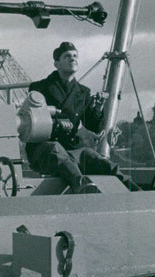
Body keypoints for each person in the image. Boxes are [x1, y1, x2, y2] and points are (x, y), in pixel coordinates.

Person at [25, 42, 132, 194]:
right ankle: (82, 186)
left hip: (72, 150)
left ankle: (135, 189)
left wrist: (98, 109)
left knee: (98, 160)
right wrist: (57, 124)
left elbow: (93, 126)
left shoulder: (83, 92)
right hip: (44, 150)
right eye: (67, 56)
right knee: (56, 150)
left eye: (75, 56)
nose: (73, 59)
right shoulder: (39, 88)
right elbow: (33, 120)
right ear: (56, 64)